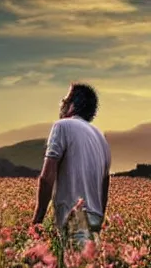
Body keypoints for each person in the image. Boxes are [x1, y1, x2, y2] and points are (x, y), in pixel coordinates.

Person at [31, 83, 111, 247]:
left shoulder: (62, 126)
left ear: (73, 105)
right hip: (95, 218)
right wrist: (98, 219)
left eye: (65, 100)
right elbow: (105, 184)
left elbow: (47, 178)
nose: (62, 103)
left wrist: (37, 221)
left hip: (74, 216)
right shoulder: (100, 138)